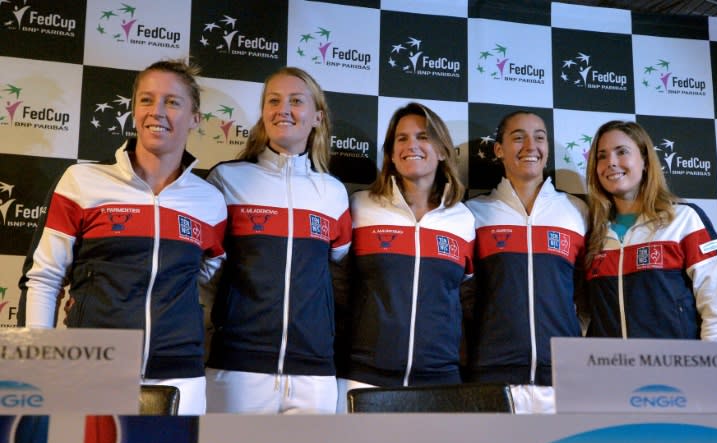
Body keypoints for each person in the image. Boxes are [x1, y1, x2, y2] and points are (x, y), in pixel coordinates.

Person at [18, 59, 227, 415]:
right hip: (92, 364)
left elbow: (204, 273)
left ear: (195, 118)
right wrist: (33, 373)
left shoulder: (210, 201)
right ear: (133, 111)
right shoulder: (82, 182)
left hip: (180, 373)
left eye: (172, 102)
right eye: (146, 100)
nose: (157, 112)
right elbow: (43, 278)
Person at [205, 67, 351, 414]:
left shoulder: (332, 192)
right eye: (274, 100)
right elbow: (204, 271)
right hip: (238, 366)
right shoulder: (227, 180)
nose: (283, 109)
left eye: (296, 101)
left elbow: (340, 273)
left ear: (317, 116)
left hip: (313, 372)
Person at [335, 102, 475, 412]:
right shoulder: (361, 207)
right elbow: (339, 288)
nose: (411, 145)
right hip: (365, 376)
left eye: (423, 136)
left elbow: (465, 298)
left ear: (441, 151)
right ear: (391, 152)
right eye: (401, 138)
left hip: (440, 379)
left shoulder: (464, 220)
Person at [465, 111, 588, 414]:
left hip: (563, 377)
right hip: (493, 372)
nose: (530, 145)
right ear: (499, 150)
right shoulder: (473, 213)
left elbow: (589, 291)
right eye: (518, 137)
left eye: (539, 137)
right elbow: (462, 295)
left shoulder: (577, 211)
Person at [584, 120, 717, 341]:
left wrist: (716, 367)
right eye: (602, 156)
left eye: (622, 152)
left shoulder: (684, 220)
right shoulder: (593, 233)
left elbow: (716, 303)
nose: (611, 163)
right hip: (612, 372)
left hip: (677, 372)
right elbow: (585, 314)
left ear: (645, 161)